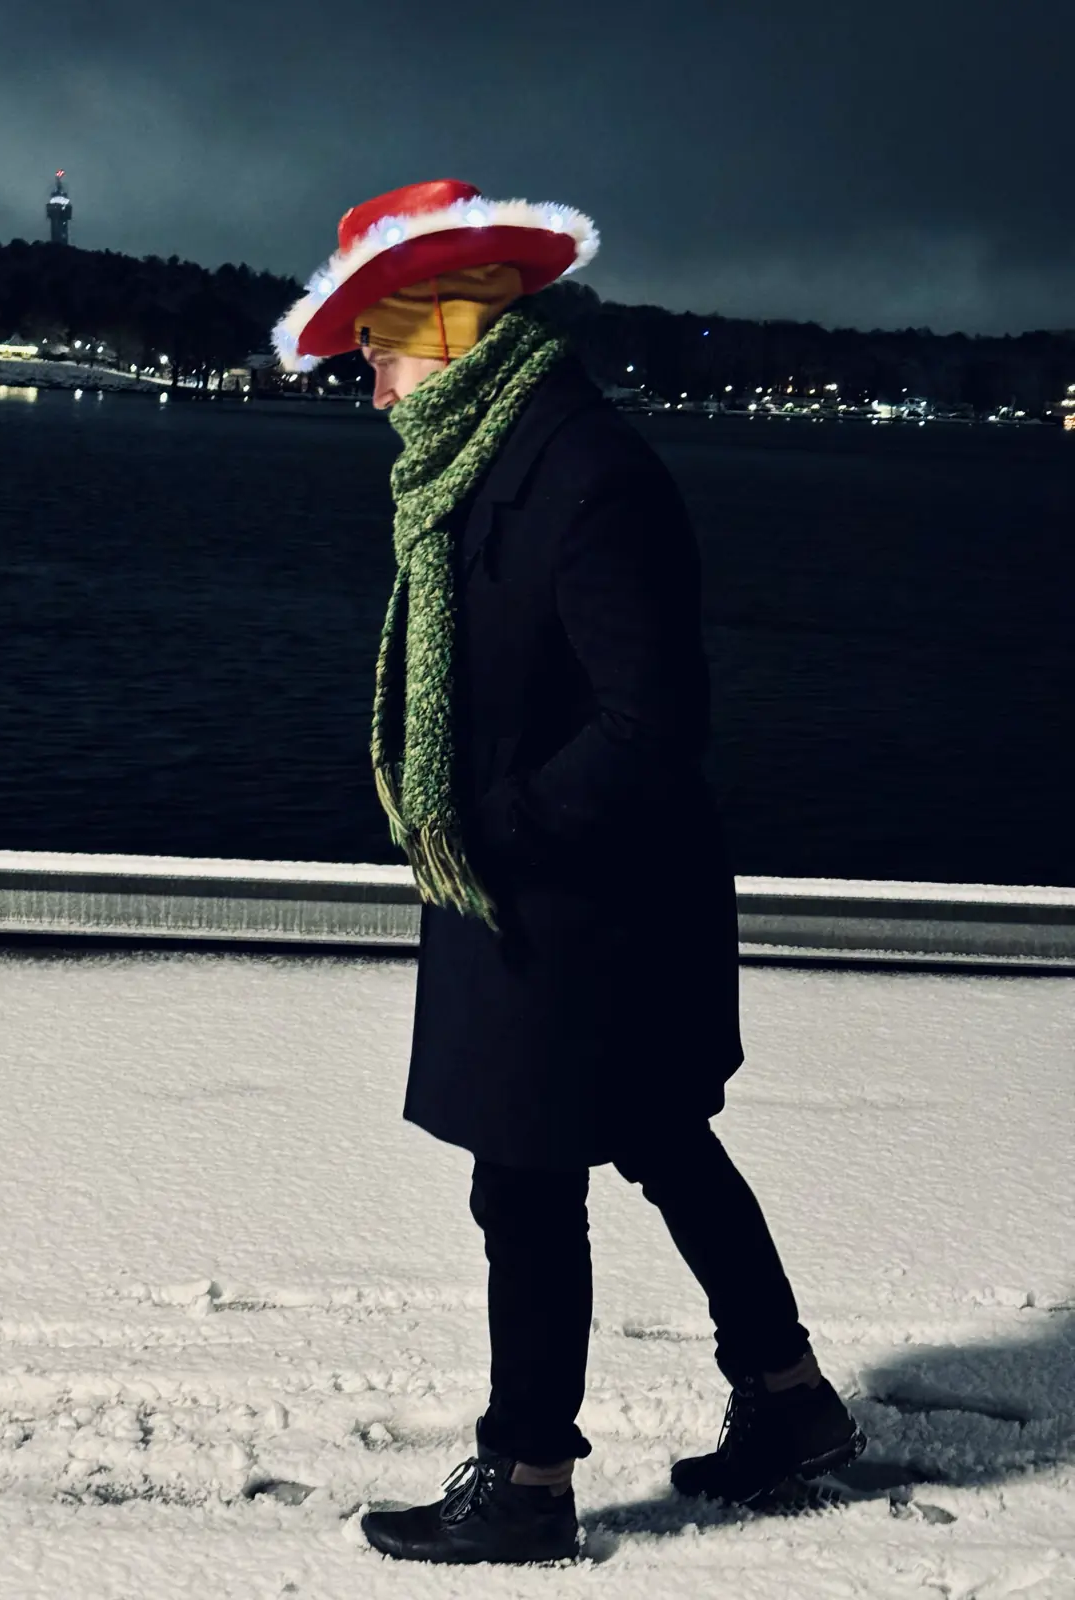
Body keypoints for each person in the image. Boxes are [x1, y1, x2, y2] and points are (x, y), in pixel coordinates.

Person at [273, 179, 866, 1567]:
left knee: (527, 1184)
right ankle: (791, 1405)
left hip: (580, 903)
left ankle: (530, 1480)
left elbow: (652, 724)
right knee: (659, 1141)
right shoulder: (483, 458)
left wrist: (501, 828)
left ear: (452, 327)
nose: (366, 366)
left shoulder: (584, 472)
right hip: (556, 896)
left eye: (382, 338)